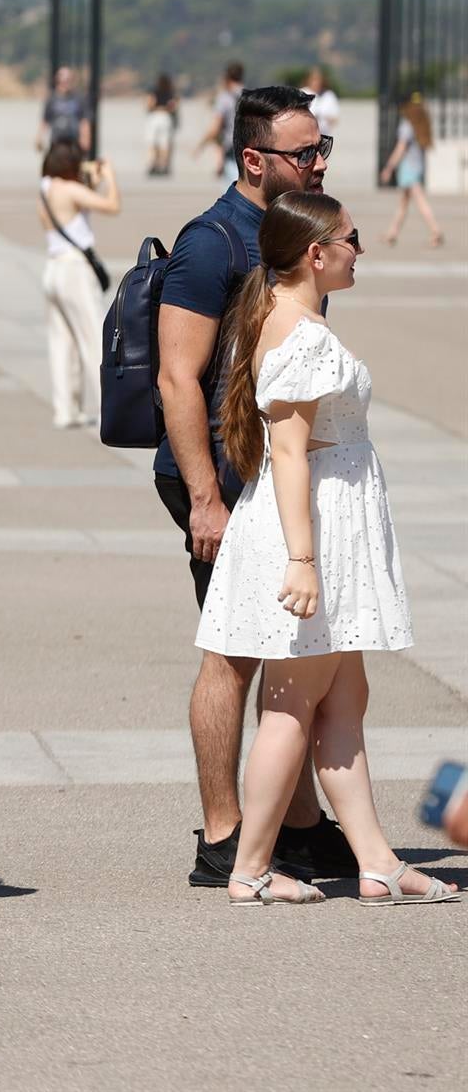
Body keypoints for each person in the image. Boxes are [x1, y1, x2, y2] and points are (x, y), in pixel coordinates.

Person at [200, 192, 449, 907]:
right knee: (292, 699)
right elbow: (288, 451)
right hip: (315, 529)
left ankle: (376, 860)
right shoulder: (302, 334)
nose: (357, 250)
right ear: (316, 252)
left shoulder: (279, 314)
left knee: (344, 696)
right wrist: (302, 561)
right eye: (350, 239)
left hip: (327, 522)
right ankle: (248, 868)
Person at [154, 84, 354, 891]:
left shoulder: (291, 230)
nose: (316, 163)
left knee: (292, 654)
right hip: (222, 485)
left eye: (320, 149)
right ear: (253, 160)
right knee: (231, 657)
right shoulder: (213, 244)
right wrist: (206, 495)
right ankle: (223, 834)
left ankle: (296, 825)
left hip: (275, 482)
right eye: (303, 153)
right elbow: (177, 378)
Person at [37, 142, 119, 429]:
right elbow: (112, 205)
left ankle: (65, 409)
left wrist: (91, 180)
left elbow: (79, 206)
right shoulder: (70, 190)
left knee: (62, 342)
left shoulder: (45, 189)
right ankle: (107, 409)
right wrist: (109, 176)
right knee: (93, 338)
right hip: (74, 270)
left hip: (53, 267)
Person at [379, 94, 443, 248]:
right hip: (417, 167)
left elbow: (400, 149)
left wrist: (389, 168)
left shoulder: (407, 126)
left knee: (420, 202)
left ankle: (436, 231)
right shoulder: (419, 125)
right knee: (403, 203)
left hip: (408, 168)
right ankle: (392, 234)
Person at [194, 62, 244, 183]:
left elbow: (216, 127)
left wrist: (200, 146)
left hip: (231, 147)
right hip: (247, 144)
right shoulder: (248, 95)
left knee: (233, 188)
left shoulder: (224, 98)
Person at [37, 66, 91, 154]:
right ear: (57, 81)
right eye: (63, 81)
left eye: (68, 80)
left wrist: (85, 138)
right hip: (56, 142)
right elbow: (45, 121)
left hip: (73, 143)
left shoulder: (78, 99)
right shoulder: (52, 99)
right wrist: (39, 138)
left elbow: (84, 121)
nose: (65, 84)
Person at [145, 73, 179, 177]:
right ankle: (164, 166)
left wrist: (155, 108)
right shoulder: (171, 93)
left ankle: (153, 164)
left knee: (152, 143)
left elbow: (149, 104)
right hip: (166, 117)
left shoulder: (154, 92)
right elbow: (174, 106)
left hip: (154, 117)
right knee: (165, 143)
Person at [304, 66, 339, 138]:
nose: (317, 82)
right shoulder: (303, 93)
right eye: (314, 79)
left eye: (319, 80)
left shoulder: (329, 95)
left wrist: (323, 117)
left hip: (324, 135)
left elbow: (335, 118)